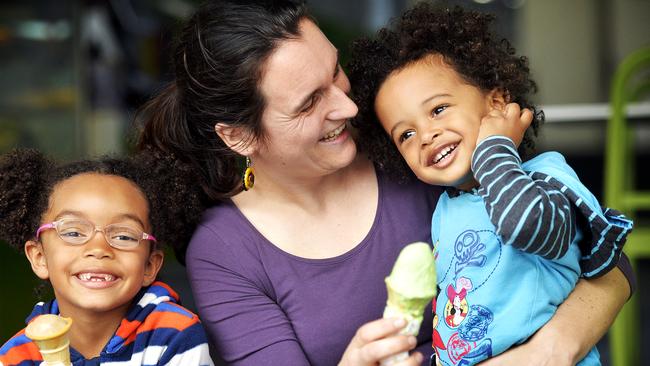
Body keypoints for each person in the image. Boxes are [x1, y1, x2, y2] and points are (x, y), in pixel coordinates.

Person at [135, 1, 636, 365]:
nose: (348, 107)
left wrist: (548, 353)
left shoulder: (410, 151)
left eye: (337, 72)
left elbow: (604, 260)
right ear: (239, 135)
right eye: (310, 102)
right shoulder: (226, 250)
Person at [347, 4, 633, 365]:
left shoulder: (547, 176)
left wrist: (494, 145)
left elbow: (526, 225)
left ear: (496, 103)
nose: (426, 135)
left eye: (437, 110)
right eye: (405, 134)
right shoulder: (446, 210)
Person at [0, 149, 213, 366]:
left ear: (150, 265)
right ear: (39, 257)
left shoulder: (173, 335)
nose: (99, 248)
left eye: (124, 236)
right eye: (73, 232)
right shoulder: (16, 356)